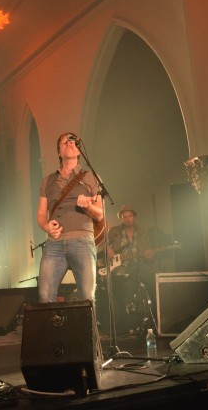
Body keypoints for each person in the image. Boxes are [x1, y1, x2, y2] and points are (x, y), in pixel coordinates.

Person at [36, 132, 103, 304]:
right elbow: (41, 214)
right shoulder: (47, 181)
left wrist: (88, 206)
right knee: (45, 296)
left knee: (87, 297)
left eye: (73, 141)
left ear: (79, 151)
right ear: (59, 151)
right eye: (64, 141)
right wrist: (46, 227)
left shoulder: (90, 177)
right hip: (54, 244)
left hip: (82, 241)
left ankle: (88, 331)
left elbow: (100, 213)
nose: (69, 143)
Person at [105, 205, 156, 333]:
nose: (127, 219)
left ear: (134, 217)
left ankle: (153, 321)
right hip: (121, 267)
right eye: (124, 217)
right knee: (123, 291)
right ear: (121, 218)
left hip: (140, 265)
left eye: (130, 216)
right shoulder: (114, 231)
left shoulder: (143, 232)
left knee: (153, 282)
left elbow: (148, 255)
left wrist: (150, 255)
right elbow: (101, 244)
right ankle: (125, 324)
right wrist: (107, 249)